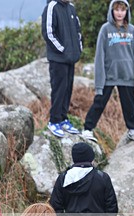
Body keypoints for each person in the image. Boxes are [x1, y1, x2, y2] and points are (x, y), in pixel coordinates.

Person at [81, 0, 134, 145]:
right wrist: (99, 82)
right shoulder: (105, 29)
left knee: (129, 105)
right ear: (112, 11)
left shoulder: (132, 31)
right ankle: (87, 129)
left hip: (127, 75)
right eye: (116, 9)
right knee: (99, 102)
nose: (119, 13)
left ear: (126, 11)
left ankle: (133, 130)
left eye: (122, 10)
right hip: (108, 76)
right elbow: (99, 55)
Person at [41, 0, 83, 139]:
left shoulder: (71, 8)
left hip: (71, 58)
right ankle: (54, 121)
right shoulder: (51, 7)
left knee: (67, 89)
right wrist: (63, 50)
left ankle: (63, 119)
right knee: (59, 89)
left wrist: (78, 48)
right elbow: (48, 33)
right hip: (58, 59)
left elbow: (78, 30)